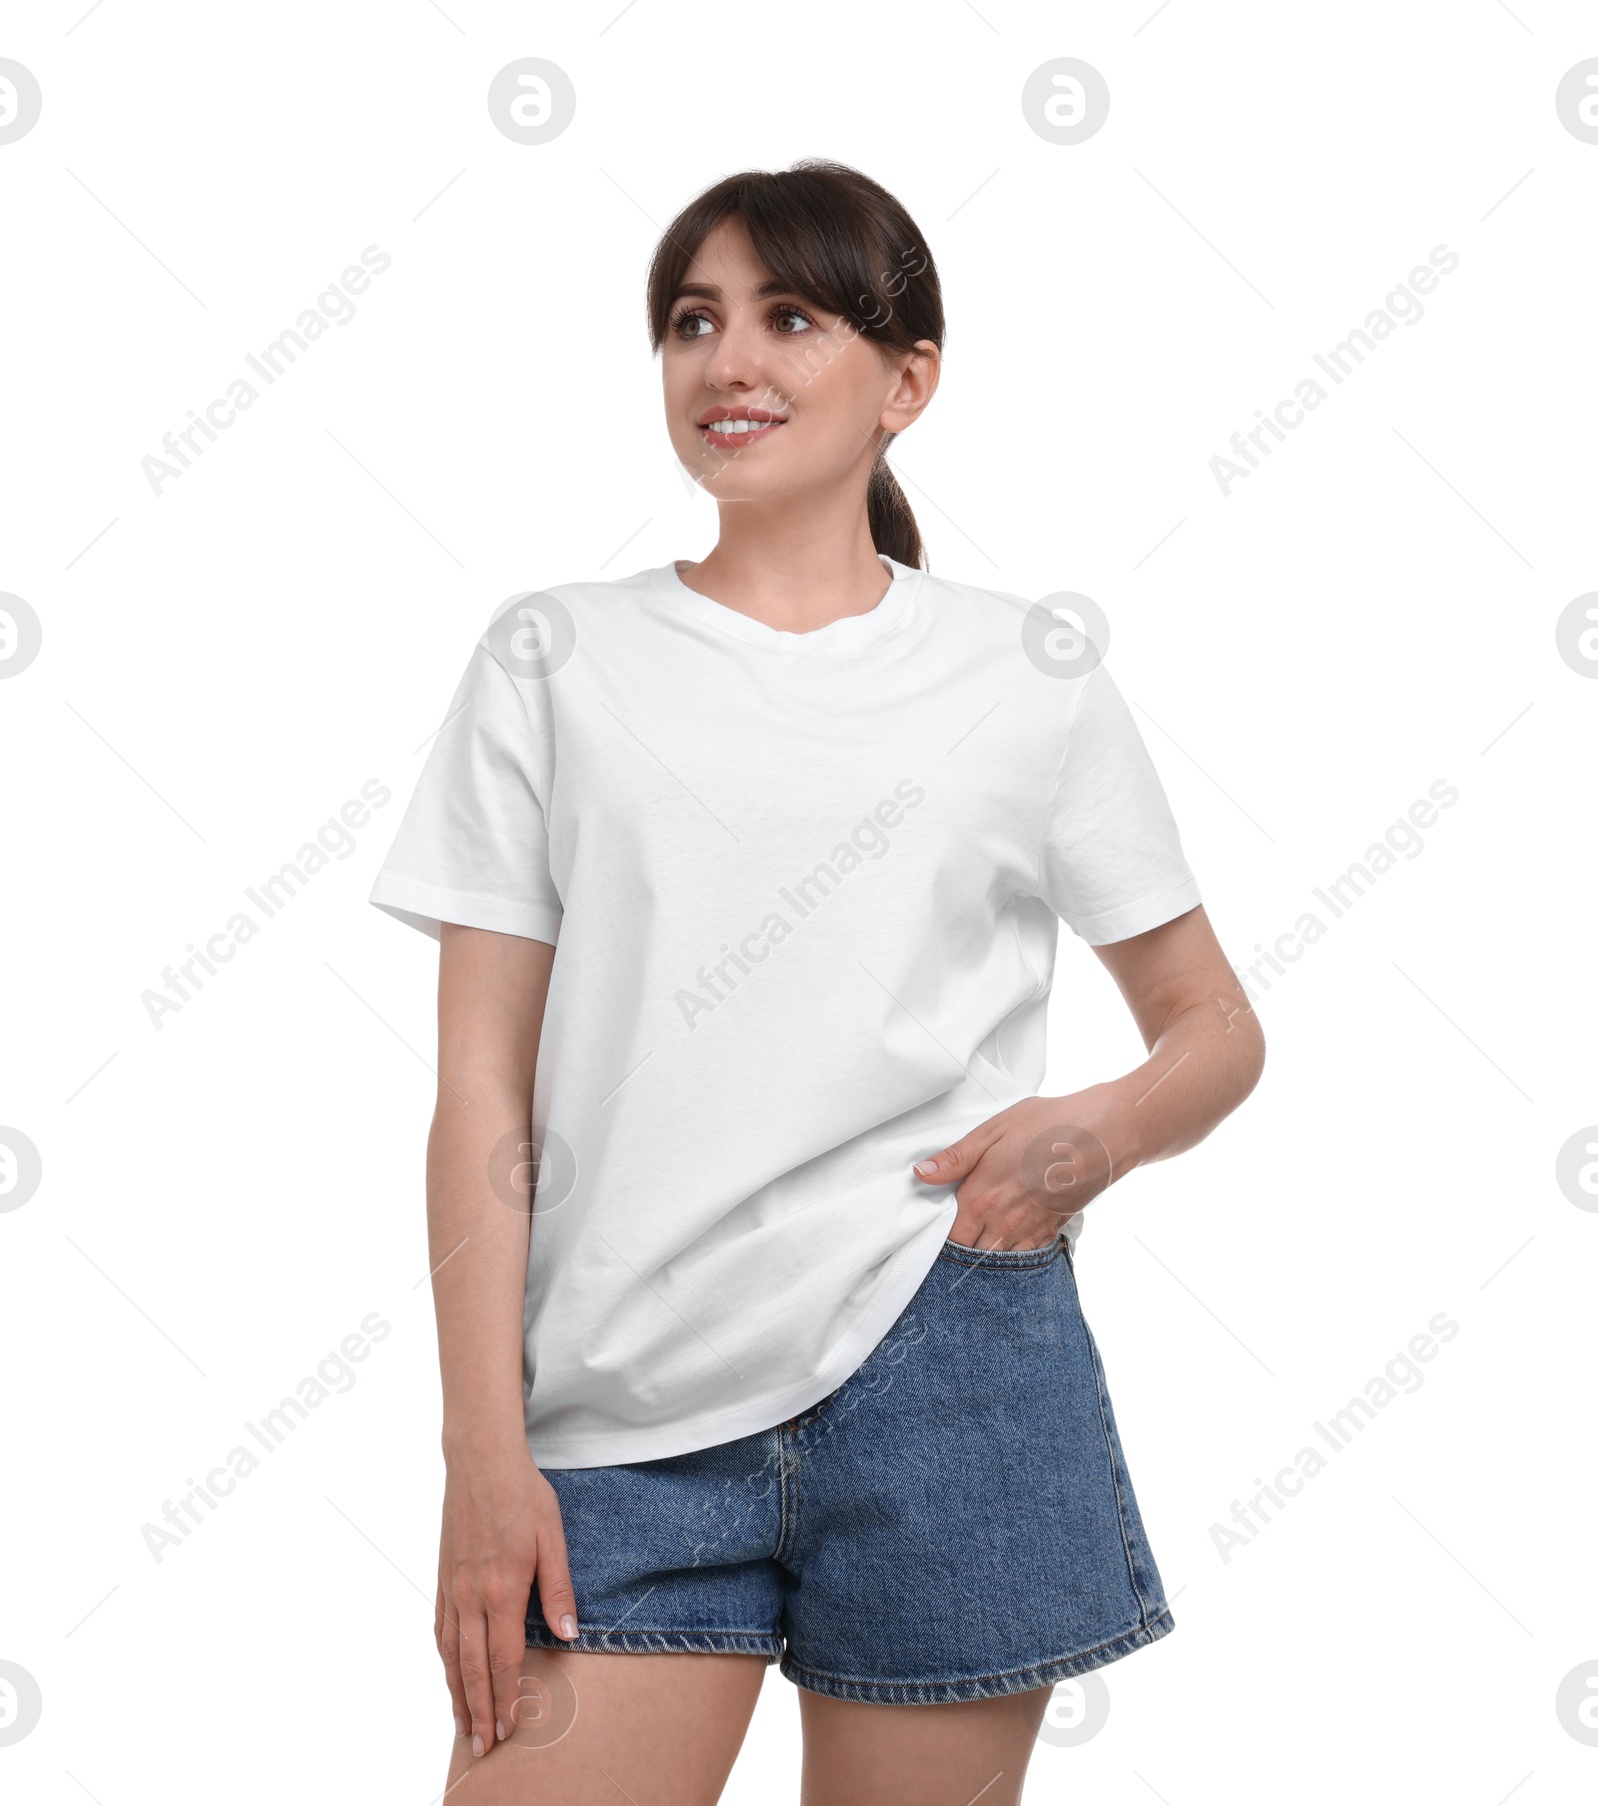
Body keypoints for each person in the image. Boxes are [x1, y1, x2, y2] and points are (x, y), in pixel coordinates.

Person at [369, 158, 1264, 1806]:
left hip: (949, 1370)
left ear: (906, 381)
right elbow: (480, 1088)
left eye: (791, 316)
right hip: (617, 1411)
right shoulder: (553, 656)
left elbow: (1214, 1028)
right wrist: (480, 1453)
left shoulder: (1027, 675)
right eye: (692, 321)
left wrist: (1094, 1136)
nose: (729, 361)